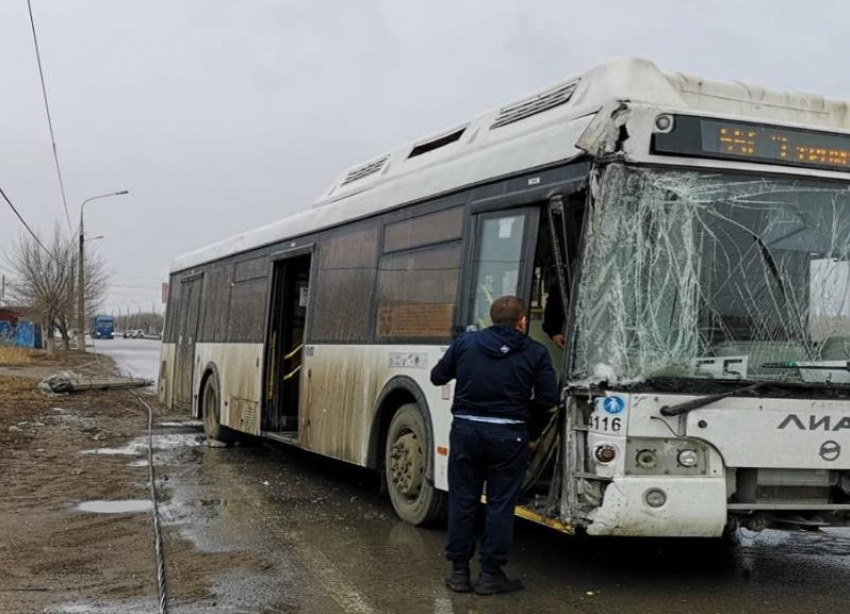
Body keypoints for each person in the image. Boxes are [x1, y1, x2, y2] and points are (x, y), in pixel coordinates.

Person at [431, 295, 559, 595]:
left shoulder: (466, 343)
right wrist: (527, 423)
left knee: (463, 500)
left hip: (466, 431)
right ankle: (491, 575)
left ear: (491, 318)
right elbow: (549, 398)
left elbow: (438, 377)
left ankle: (459, 573)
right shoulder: (536, 351)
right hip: (509, 436)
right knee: (500, 505)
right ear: (523, 321)